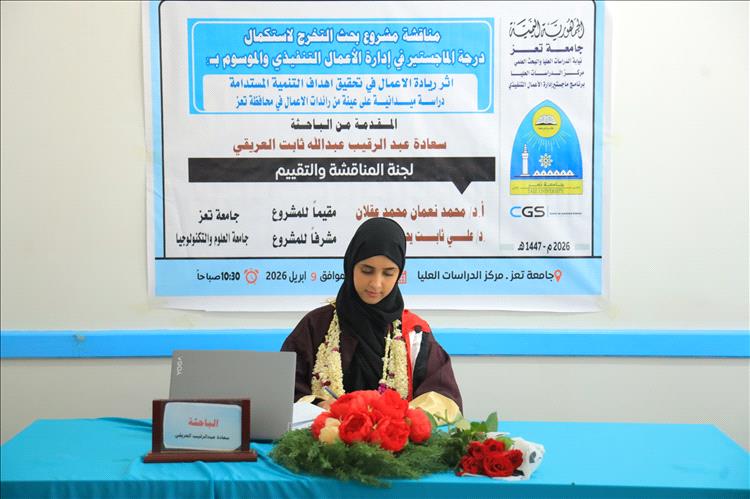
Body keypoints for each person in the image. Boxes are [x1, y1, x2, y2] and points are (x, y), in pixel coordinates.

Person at [282, 217, 462, 419]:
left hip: (395, 437)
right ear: (350, 265)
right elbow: (283, 391)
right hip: (327, 435)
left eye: (388, 273)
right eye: (367, 271)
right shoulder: (316, 326)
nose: (376, 284)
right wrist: (319, 405)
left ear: (399, 273)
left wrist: (398, 418)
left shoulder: (414, 334)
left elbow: (444, 400)